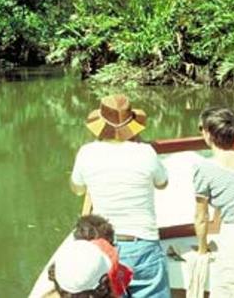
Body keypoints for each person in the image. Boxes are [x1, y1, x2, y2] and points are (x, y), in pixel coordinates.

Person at [70, 94, 170, 298]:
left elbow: (78, 189)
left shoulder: (86, 153)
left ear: (100, 125)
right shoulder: (146, 152)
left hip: (105, 245)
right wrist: (140, 144)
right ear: (132, 125)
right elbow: (163, 183)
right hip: (144, 243)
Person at [193, 107, 234, 298]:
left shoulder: (205, 170)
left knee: (228, 289)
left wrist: (203, 249)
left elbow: (201, 217)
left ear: (208, 133)